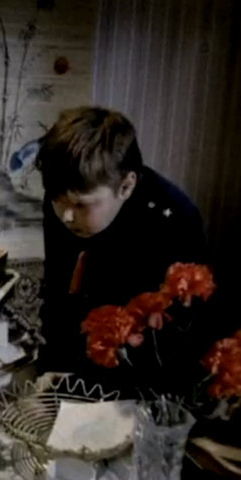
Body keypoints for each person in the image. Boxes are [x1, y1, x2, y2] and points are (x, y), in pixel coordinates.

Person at [35, 106, 208, 394]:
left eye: (80, 204)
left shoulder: (176, 219)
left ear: (126, 186)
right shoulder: (66, 201)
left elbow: (181, 333)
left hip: (150, 371)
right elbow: (58, 289)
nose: (65, 215)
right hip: (83, 345)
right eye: (56, 199)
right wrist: (52, 366)